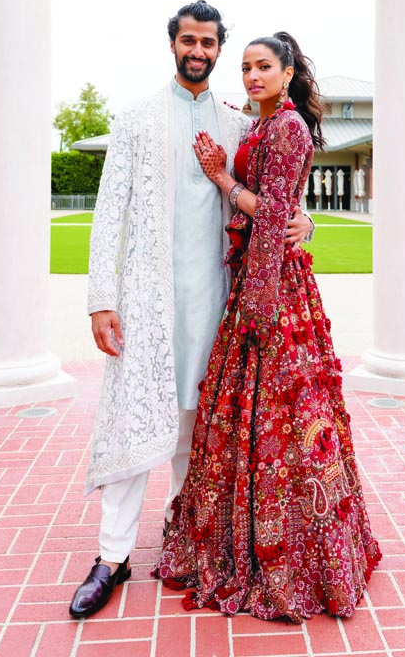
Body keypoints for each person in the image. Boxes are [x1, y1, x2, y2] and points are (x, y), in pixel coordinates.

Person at [69, 2, 314, 619]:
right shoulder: (135, 120)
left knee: (199, 431)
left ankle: (188, 547)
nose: (198, 50)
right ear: (173, 44)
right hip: (147, 304)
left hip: (217, 303)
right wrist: (102, 299)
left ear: (218, 50)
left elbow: (274, 198)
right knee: (131, 423)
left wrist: (302, 220)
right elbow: (109, 216)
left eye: (208, 42)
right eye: (188, 40)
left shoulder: (238, 126)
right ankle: (111, 557)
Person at [153, 32, 382, 623]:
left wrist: (222, 180)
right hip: (256, 278)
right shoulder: (257, 124)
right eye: (247, 67)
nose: (253, 75)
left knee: (284, 416)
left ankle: (291, 556)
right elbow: (285, 208)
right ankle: (243, 539)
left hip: (274, 291)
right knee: (245, 416)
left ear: (287, 74)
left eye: (264, 67)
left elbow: (279, 212)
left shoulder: (286, 127)